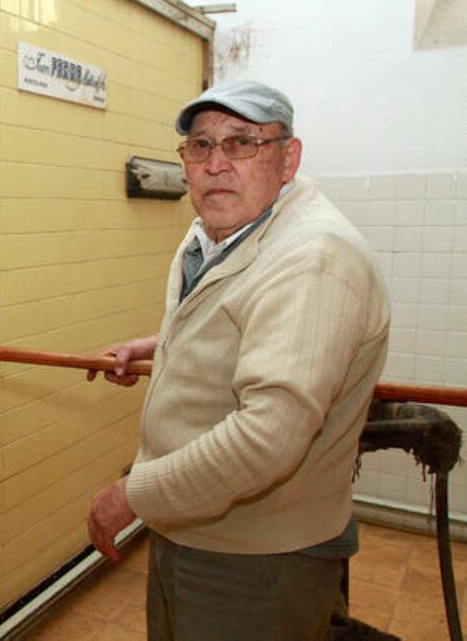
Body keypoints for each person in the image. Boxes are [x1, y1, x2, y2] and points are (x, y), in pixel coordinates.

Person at [86, 81, 390, 640]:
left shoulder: (312, 258)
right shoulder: (220, 229)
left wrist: (131, 496)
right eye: (200, 146)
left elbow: (265, 438)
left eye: (242, 143)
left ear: (287, 158)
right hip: (191, 521)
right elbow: (239, 319)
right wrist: (154, 346)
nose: (217, 164)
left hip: (257, 556)